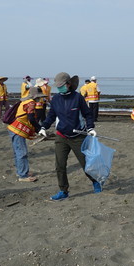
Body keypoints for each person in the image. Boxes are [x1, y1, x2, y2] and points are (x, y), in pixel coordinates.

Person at [38, 72, 99, 201]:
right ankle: (63, 190)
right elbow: (51, 116)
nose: (59, 88)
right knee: (60, 165)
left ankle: (95, 182)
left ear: (68, 84)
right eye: (58, 86)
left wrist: (91, 128)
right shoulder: (55, 99)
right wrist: (44, 127)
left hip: (78, 135)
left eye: (62, 85)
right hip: (61, 136)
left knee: (85, 163)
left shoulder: (78, 98)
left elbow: (88, 114)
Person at [8, 86, 43, 182]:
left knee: (17, 151)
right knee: (21, 152)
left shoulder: (25, 101)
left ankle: (20, 171)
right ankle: (23, 175)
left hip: (13, 128)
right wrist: (38, 128)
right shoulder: (31, 103)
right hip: (18, 130)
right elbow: (31, 118)